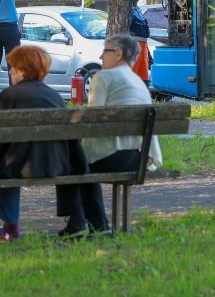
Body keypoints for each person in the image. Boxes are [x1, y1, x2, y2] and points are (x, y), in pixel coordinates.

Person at [0, 46, 88, 244]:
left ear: (23, 71)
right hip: (53, 165)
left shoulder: (8, 96)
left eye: (13, 68)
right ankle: (10, 227)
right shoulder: (55, 97)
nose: (10, 72)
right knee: (8, 165)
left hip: (19, 166)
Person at [63, 34, 162, 235]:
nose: (100, 56)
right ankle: (94, 223)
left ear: (118, 54)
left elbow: (92, 120)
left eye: (105, 51)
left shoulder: (103, 77)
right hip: (137, 157)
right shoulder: (138, 83)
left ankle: (79, 223)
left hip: (110, 155)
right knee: (81, 163)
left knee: (72, 162)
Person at [129, 0, 151, 85]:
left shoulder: (139, 11)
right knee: (133, 74)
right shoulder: (128, 12)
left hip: (143, 48)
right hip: (135, 47)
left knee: (143, 76)